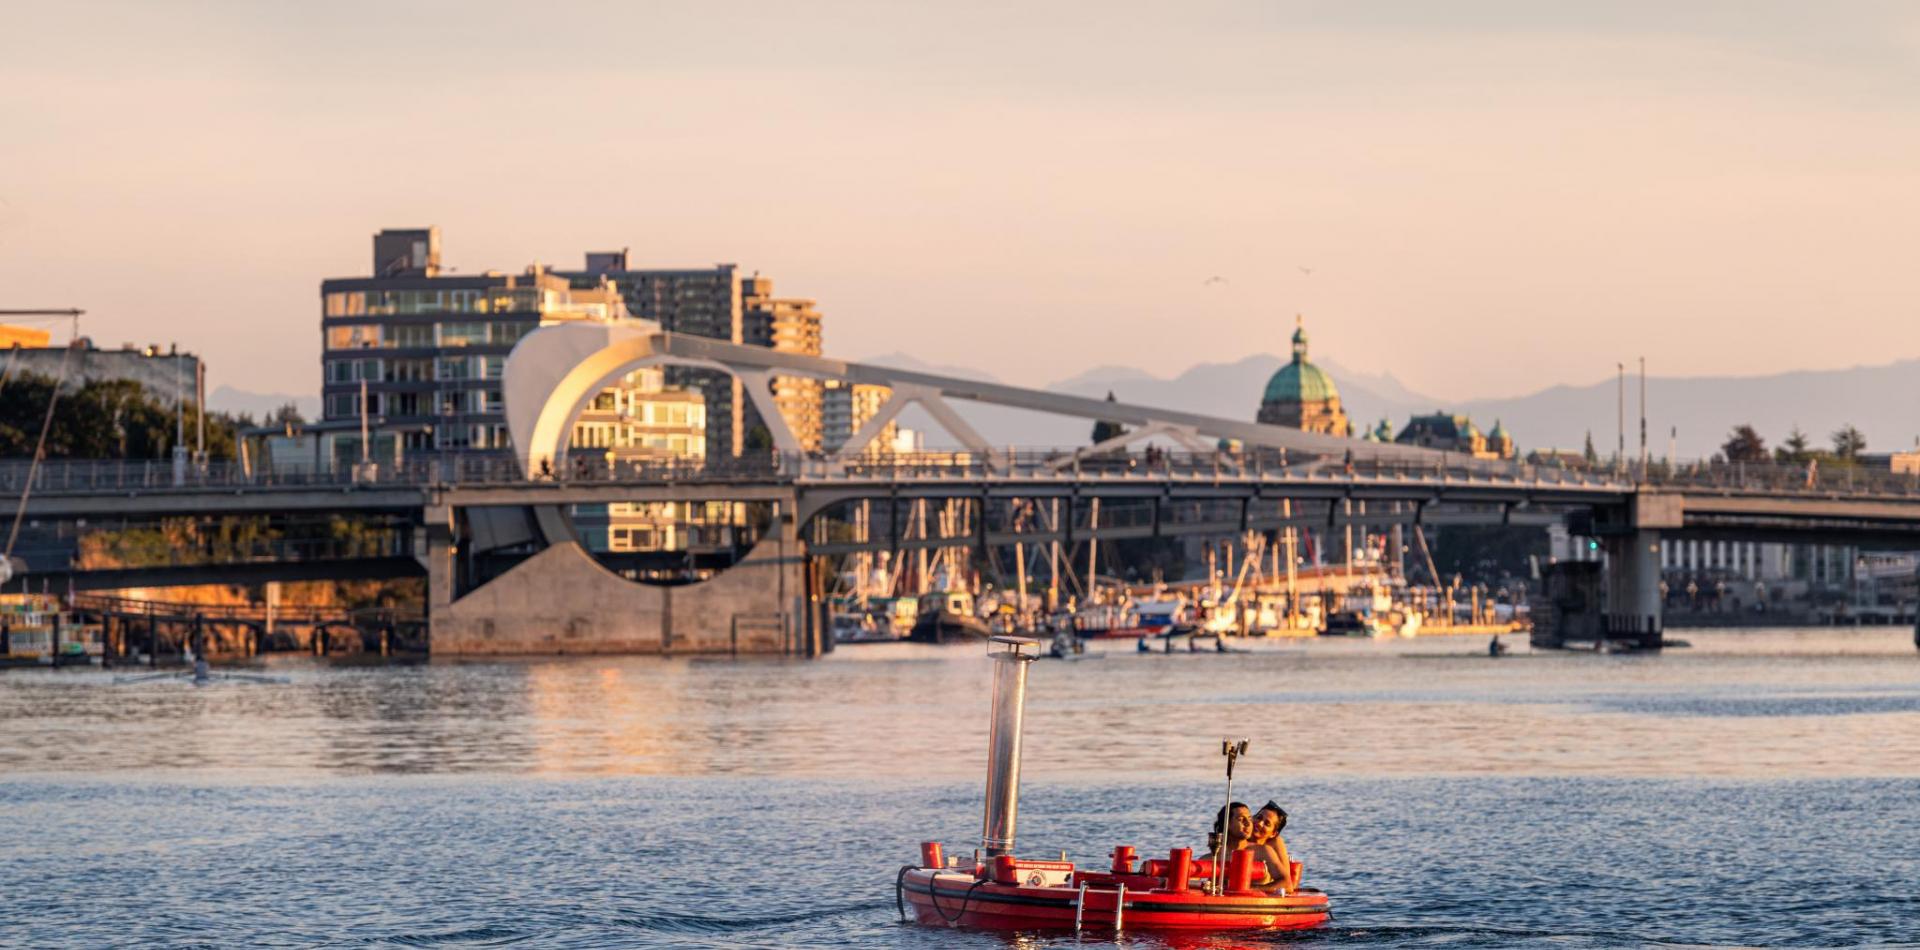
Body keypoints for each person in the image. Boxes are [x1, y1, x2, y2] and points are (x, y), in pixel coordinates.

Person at [1198, 802, 1273, 888]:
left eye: (1249, 818)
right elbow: (1189, 881)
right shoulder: (1213, 857)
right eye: (1241, 819)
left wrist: (1249, 890)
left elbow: (1286, 884)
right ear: (1227, 824)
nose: (1248, 824)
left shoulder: (1263, 852)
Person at [1249, 801, 1301, 893]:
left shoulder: (1273, 843)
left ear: (1273, 833)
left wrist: (1250, 890)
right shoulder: (1238, 835)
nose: (1260, 823)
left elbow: (1288, 886)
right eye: (1259, 817)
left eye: (1267, 823)